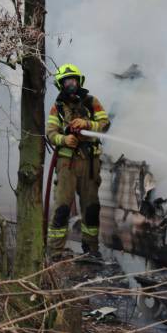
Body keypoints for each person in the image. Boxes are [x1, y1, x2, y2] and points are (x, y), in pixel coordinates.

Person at [45, 63, 110, 261]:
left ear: (79, 81)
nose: (70, 84)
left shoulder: (92, 102)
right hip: (66, 165)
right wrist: (64, 139)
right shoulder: (57, 107)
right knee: (62, 207)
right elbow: (50, 133)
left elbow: (105, 124)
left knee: (91, 208)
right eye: (66, 81)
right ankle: (55, 252)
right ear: (61, 85)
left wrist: (87, 124)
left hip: (90, 164)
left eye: (73, 80)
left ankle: (91, 249)